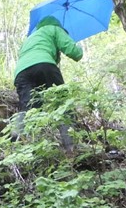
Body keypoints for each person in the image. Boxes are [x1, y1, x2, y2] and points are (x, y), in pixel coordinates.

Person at [12, 15, 83, 150]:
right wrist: (79, 48)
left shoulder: (31, 38)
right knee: (62, 103)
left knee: (29, 106)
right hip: (44, 65)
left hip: (21, 72)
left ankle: (17, 138)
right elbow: (74, 53)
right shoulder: (54, 29)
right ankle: (71, 145)